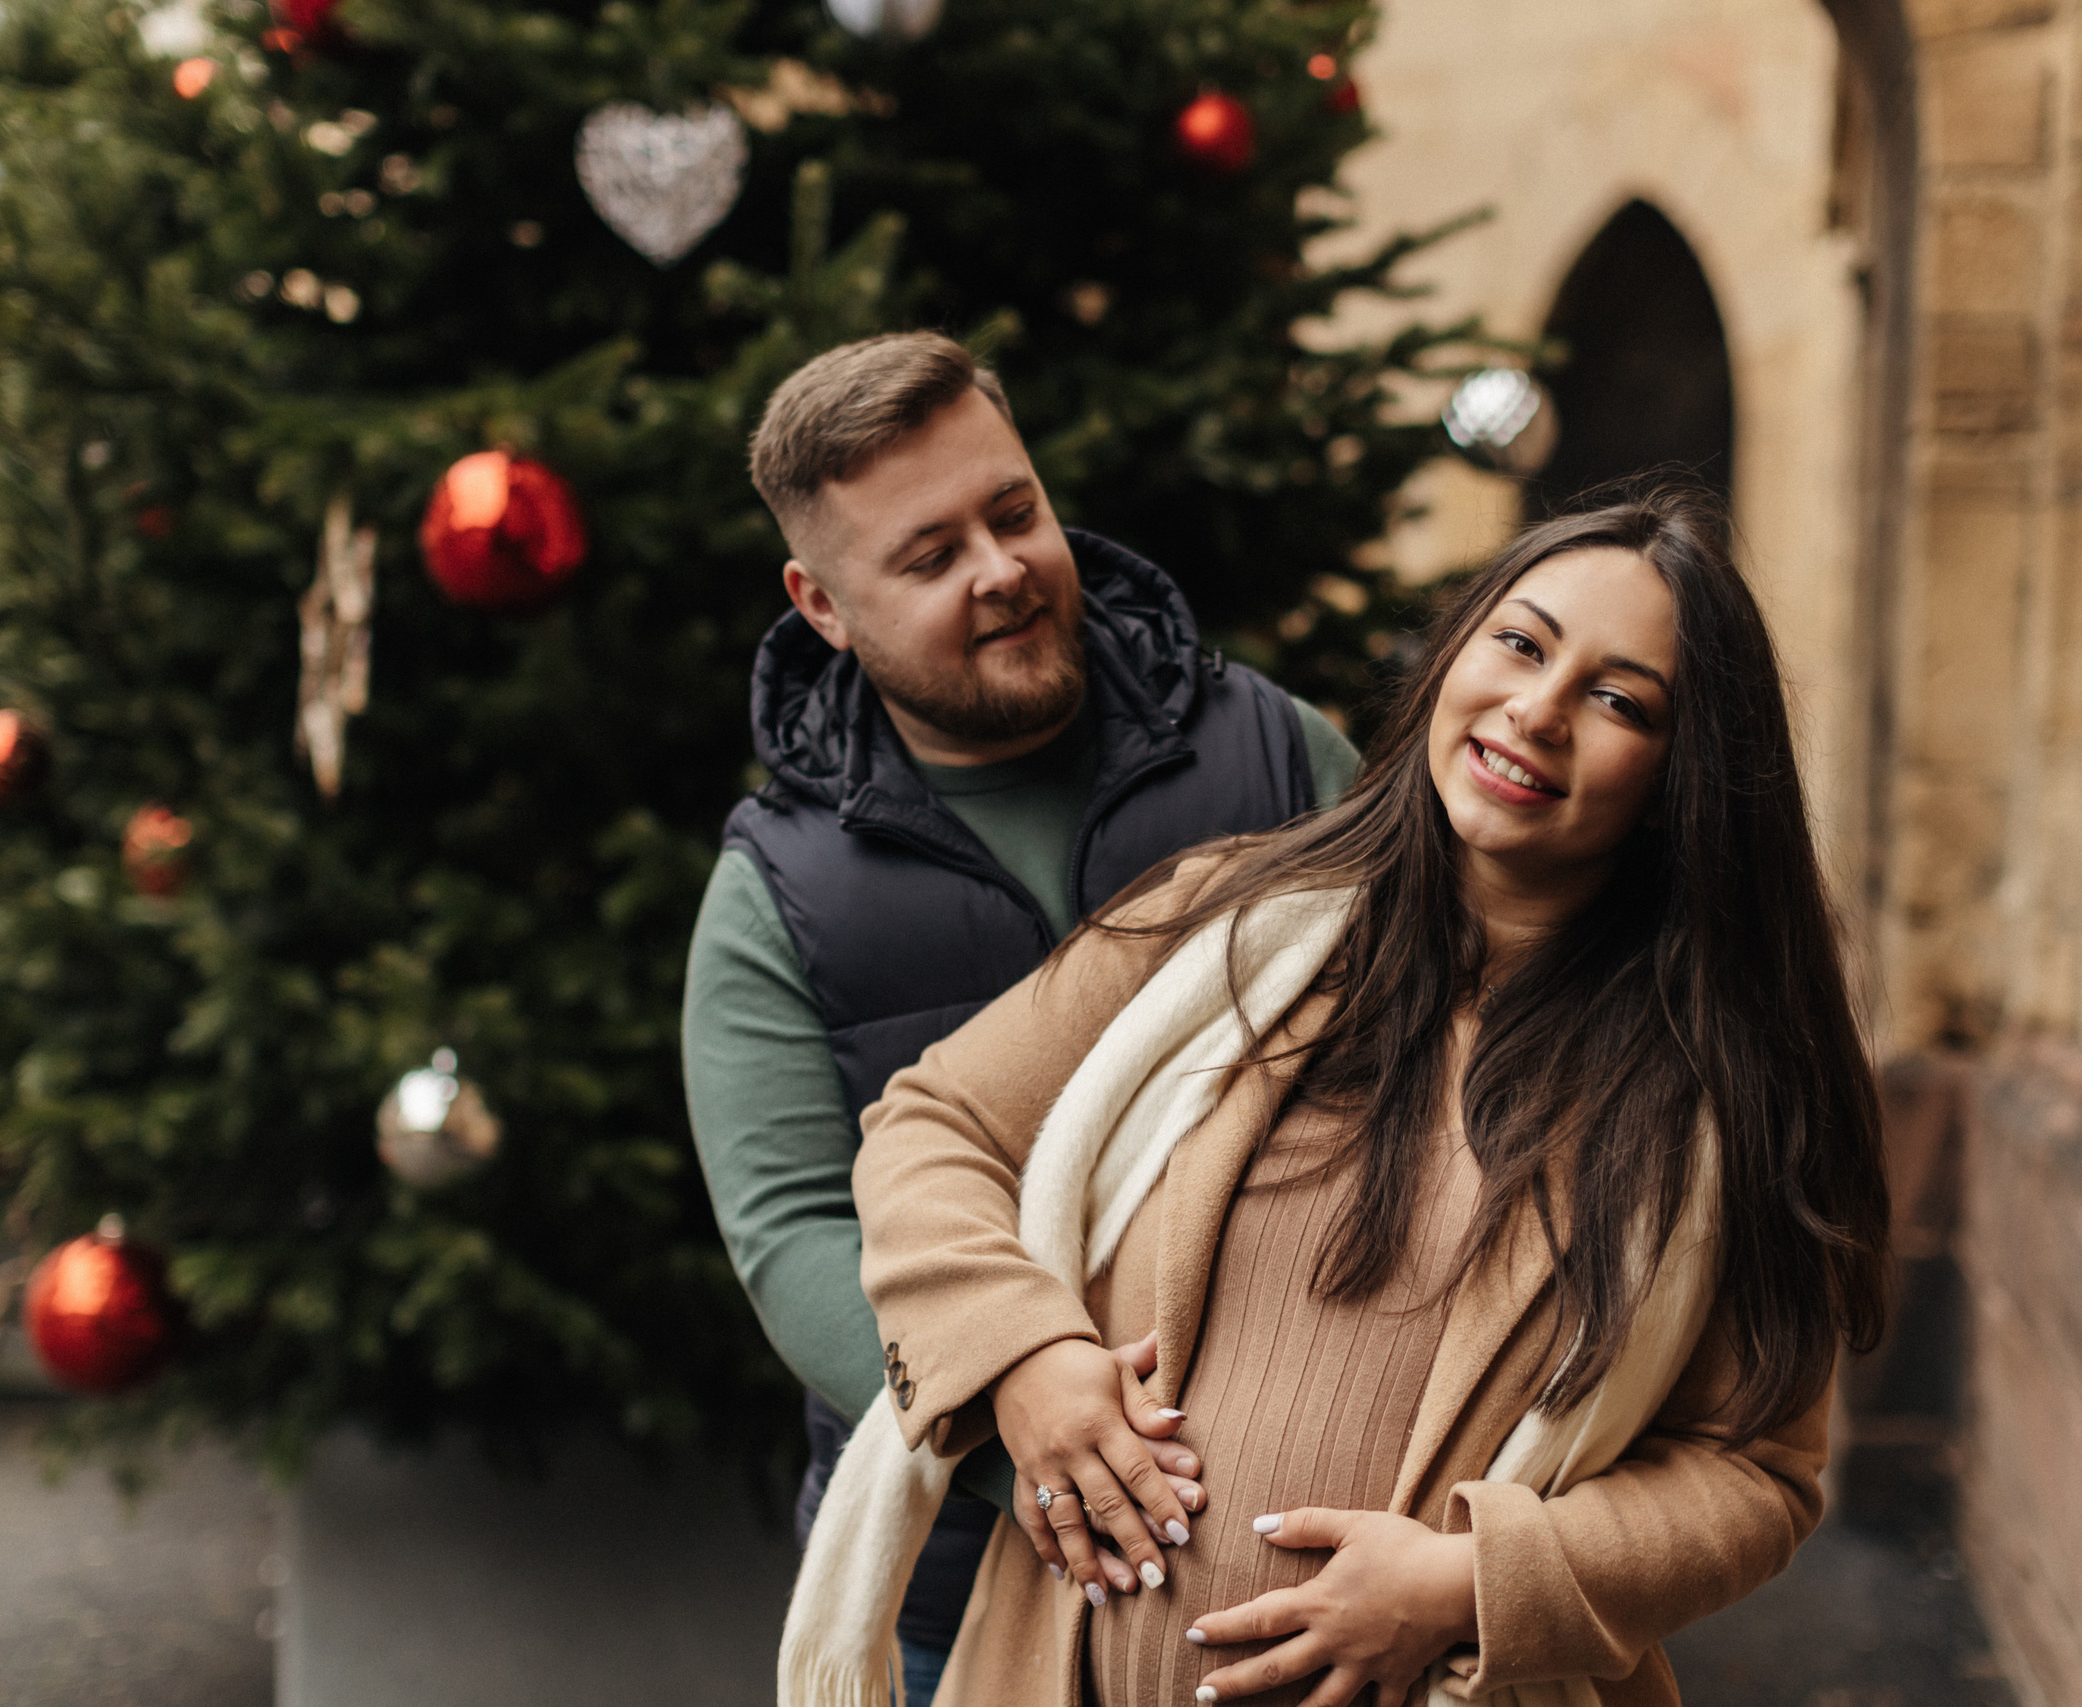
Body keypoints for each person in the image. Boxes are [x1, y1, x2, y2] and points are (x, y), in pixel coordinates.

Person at [801, 486, 1891, 1707]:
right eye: (1520, 644)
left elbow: (1754, 1471)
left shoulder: (1720, 1092)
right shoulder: (1219, 924)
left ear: (1684, 776)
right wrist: (1022, 1356)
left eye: (1620, 699)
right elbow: (929, 1127)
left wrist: (1472, 1583)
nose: (1536, 711)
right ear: (1453, 657)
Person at [682, 331, 1360, 1705]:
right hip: (951, 1576)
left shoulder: (1284, 758)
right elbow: (795, 1233)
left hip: (1288, 1543)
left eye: (1014, 511)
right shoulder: (773, 897)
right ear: (822, 603)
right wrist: (1015, 1406)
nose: (1000, 570)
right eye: (929, 557)